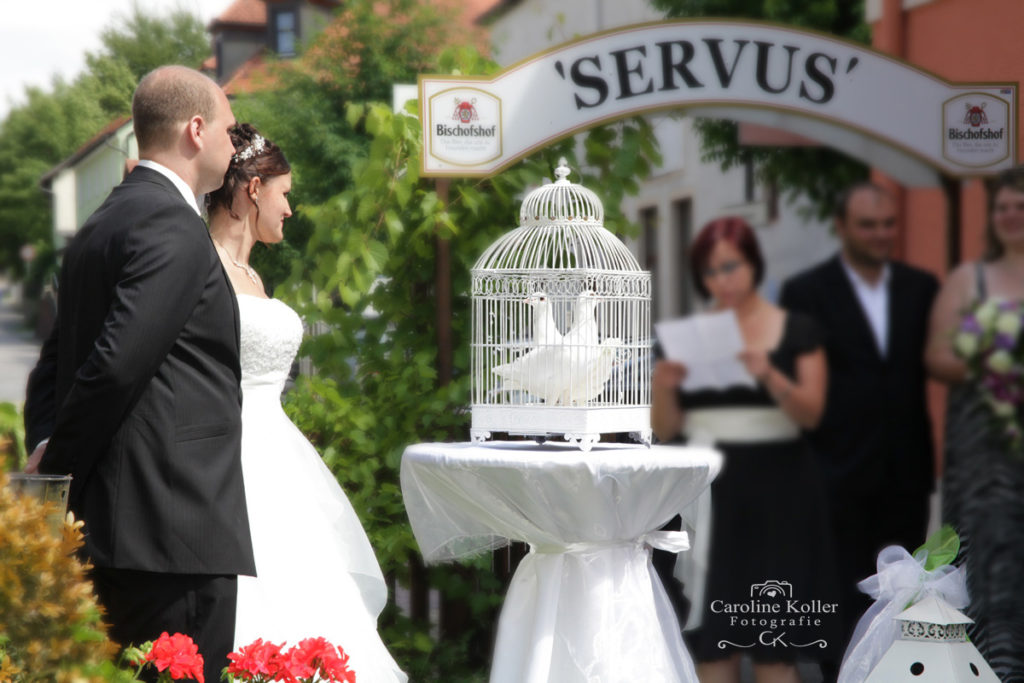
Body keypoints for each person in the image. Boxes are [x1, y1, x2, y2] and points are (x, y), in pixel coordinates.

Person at [23, 65, 253, 682]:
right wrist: (56, 466)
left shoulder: (101, 222)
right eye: (229, 131)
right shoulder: (171, 225)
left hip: (116, 530)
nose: (235, 147)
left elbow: (52, 366)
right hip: (171, 537)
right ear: (195, 130)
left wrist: (47, 445)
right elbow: (115, 366)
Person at [205, 123, 407, 682]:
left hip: (281, 459)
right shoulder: (201, 267)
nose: (289, 209)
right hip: (233, 458)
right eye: (284, 193)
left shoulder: (250, 274)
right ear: (253, 189)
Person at [652, 216, 839, 683]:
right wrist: (665, 386)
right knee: (714, 648)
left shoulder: (797, 330)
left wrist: (768, 375)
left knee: (776, 652)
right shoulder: (685, 339)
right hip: (714, 500)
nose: (723, 280)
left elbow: (813, 415)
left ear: (753, 264)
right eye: (712, 272)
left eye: (731, 267)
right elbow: (665, 429)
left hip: (782, 502)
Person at [779, 182, 939, 677]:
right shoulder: (805, 292)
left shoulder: (922, 288)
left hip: (905, 471)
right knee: (840, 597)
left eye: (888, 223)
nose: (880, 234)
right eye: (868, 225)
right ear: (842, 227)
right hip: (834, 470)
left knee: (901, 593)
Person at [924, 168, 1024, 680]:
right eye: (1003, 207)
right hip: (987, 461)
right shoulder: (971, 279)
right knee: (996, 585)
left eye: (1020, 206)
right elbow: (939, 356)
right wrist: (992, 365)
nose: (1011, 216)